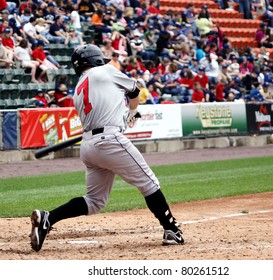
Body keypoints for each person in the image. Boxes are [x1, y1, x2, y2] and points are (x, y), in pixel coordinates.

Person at [30, 44, 184, 252]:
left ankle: (49, 218)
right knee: (149, 183)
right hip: (109, 140)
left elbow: (108, 104)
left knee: (94, 201)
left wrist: (124, 114)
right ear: (95, 59)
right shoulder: (105, 71)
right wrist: (132, 110)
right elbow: (135, 91)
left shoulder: (78, 88)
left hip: (89, 146)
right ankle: (171, 229)